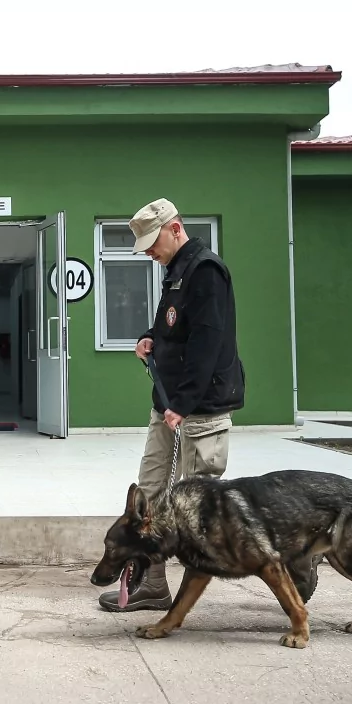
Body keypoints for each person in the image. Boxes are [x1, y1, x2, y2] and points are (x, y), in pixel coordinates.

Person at [97, 197, 245, 612]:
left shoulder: (206, 271)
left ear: (175, 228)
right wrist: (150, 338)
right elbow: (174, 325)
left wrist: (183, 402)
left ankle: (287, 561)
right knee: (148, 497)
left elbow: (207, 341)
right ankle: (152, 584)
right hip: (169, 405)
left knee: (196, 510)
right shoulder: (176, 272)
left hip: (198, 409)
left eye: (152, 243)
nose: (148, 252)